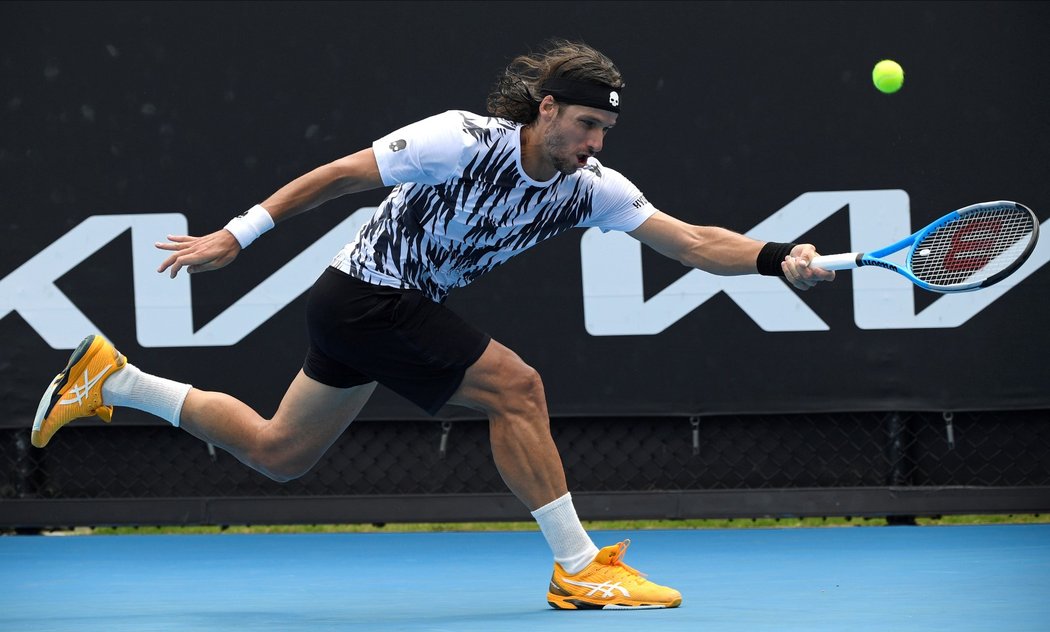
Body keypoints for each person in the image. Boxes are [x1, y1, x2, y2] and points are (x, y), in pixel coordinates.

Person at [31, 40, 834, 610]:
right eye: (584, 125)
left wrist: (775, 257)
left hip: (381, 311)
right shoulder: (462, 140)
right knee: (518, 390)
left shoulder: (591, 186)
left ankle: (119, 378)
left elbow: (691, 241)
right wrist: (237, 235)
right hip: (366, 294)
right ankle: (579, 567)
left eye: (604, 133)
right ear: (545, 109)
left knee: (280, 453)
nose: (593, 145)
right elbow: (341, 174)